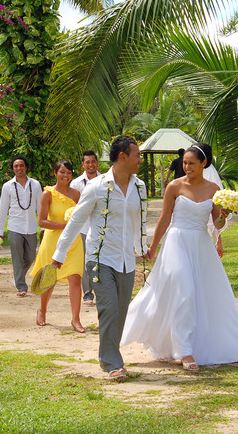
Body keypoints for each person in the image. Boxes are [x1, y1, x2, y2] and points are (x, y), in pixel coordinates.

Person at [121, 144, 238, 371]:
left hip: (201, 243)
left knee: (203, 294)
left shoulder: (214, 189)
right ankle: (184, 351)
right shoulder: (174, 186)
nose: (187, 167)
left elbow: (217, 224)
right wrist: (153, 247)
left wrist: (223, 215)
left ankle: (197, 343)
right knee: (183, 289)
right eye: (184, 163)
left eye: (191, 163)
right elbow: (164, 219)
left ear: (203, 163)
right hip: (176, 241)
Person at [52, 136, 147, 381]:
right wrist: (59, 255)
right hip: (99, 258)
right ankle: (111, 362)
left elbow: (138, 220)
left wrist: (141, 246)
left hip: (126, 260)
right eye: (137, 155)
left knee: (121, 312)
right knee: (109, 308)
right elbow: (76, 221)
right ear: (123, 157)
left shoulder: (140, 187)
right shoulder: (96, 187)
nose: (140, 159)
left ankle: (111, 355)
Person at [29, 160, 85, 332]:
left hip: (74, 242)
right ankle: (42, 310)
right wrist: (64, 226)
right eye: (62, 172)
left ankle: (76, 319)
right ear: (55, 173)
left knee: (75, 278)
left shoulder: (76, 194)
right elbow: (42, 221)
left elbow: (83, 216)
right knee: (49, 278)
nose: (65, 176)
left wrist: (73, 228)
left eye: (68, 173)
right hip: (53, 240)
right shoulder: (48, 194)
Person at [0, 155, 43, 297]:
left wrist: (44, 228)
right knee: (17, 257)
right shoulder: (7, 186)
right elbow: (3, 209)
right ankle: (21, 285)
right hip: (14, 227)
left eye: (21, 165)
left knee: (30, 257)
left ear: (26, 167)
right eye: (16, 166)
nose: (19, 168)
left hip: (31, 227)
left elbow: (40, 207)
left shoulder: (35, 184)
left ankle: (17, 277)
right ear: (13, 169)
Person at [70, 150, 102, 306]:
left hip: (101, 228)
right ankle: (88, 294)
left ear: (97, 163)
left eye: (93, 162)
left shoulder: (106, 181)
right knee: (86, 261)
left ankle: (102, 291)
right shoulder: (75, 184)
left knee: (102, 260)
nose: (91, 165)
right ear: (82, 164)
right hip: (83, 229)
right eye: (87, 162)